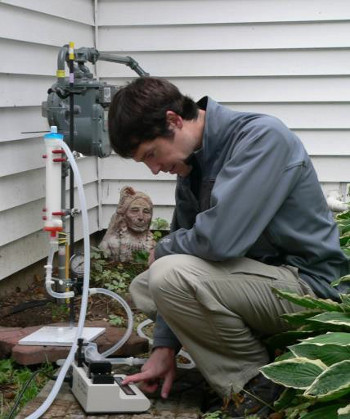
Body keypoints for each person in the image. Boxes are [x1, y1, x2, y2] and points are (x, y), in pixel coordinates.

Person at [107, 77, 348, 416]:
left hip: (311, 289)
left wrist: (163, 249)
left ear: (174, 120)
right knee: (146, 286)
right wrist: (164, 347)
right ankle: (260, 355)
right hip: (259, 284)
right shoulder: (193, 162)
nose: (155, 169)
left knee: (169, 274)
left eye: (152, 154)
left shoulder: (262, 138)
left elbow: (221, 240)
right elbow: (187, 240)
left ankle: (253, 386)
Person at [99, 186, 155, 262]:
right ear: (124, 214)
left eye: (146, 211)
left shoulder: (152, 244)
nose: (141, 217)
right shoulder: (113, 244)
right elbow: (103, 249)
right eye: (134, 211)